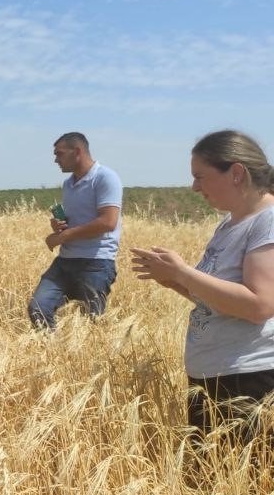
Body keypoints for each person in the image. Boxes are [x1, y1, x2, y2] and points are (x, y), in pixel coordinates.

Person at [131, 130, 274, 445]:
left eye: (200, 177)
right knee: (208, 485)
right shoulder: (229, 223)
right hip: (214, 375)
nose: (194, 187)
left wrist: (183, 272)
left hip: (247, 381)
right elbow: (219, 299)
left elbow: (260, 305)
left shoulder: (268, 221)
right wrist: (174, 281)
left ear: (236, 174)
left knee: (238, 488)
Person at [27, 132, 123, 329]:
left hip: (96, 262)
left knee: (91, 324)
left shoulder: (106, 178)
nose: (55, 160)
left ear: (77, 152)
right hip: (65, 261)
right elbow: (76, 221)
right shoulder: (68, 184)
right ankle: (52, 355)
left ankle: (85, 359)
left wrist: (63, 236)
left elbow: (108, 222)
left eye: (59, 154)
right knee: (38, 307)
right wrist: (59, 226)